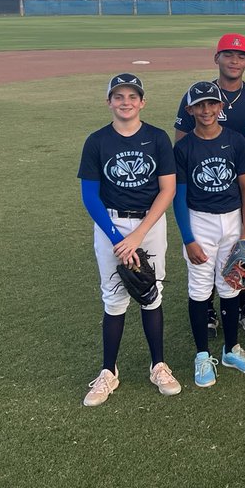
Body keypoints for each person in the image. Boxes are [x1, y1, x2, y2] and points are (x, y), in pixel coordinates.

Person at [78, 73, 180, 406]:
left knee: (151, 291)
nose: (126, 102)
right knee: (114, 296)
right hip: (111, 223)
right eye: (118, 97)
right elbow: (90, 195)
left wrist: (137, 235)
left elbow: (167, 190)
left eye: (132, 97)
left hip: (148, 225)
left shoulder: (157, 138)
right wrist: (115, 236)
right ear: (109, 102)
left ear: (142, 102)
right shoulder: (97, 141)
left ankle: (159, 366)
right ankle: (108, 372)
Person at [173, 33, 245, 335]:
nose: (234, 60)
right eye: (228, 55)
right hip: (207, 192)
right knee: (208, 256)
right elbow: (182, 144)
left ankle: (244, 304)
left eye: (241, 56)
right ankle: (208, 310)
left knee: (244, 246)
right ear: (216, 58)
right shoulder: (198, 95)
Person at [171, 81, 245, 386]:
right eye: (200, 105)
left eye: (212, 104)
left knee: (231, 285)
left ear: (221, 107)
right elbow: (178, 196)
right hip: (200, 221)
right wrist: (188, 238)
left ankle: (231, 349)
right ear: (190, 110)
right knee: (199, 288)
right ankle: (201, 355)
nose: (206, 110)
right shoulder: (183, 148)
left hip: (233, 220)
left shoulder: (235, 141)